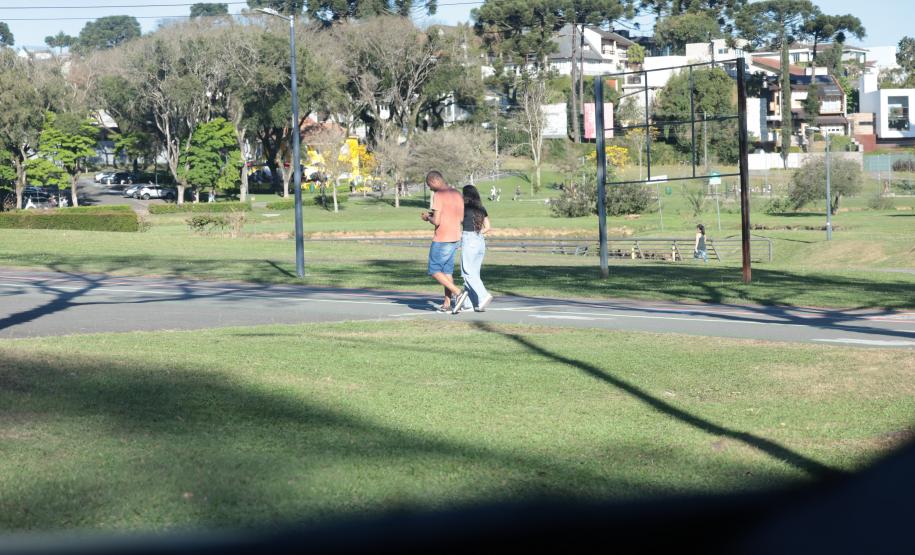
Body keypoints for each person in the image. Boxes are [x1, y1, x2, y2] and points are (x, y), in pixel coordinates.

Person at [421, 171, 468, 312]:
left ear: (435, 181)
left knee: (434, 270)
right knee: (447, 271)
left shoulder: (438, 195)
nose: (430, 188)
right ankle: (447, 304)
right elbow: (460, 218)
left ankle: (458, 293)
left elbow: (436, 220)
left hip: (442, 239)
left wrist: (427, 218)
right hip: (455, 236)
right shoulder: (457, 194)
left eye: (430, 185)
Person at [454, 185, 493, 314]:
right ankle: (470, 303)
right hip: (480, 240)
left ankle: (483, 295)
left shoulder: (463, 208)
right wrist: (477, 233)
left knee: (467, 272)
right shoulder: (481, 208)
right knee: (474, 274)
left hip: (469, 239)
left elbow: (457, 221)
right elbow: (488, 227)